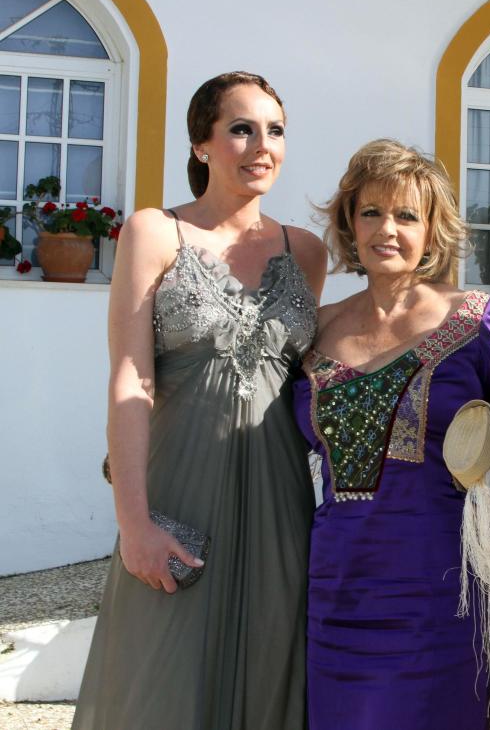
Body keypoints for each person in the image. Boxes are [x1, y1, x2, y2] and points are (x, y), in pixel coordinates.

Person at [73, 71, 327, 730]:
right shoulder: (155, 232)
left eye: (275, 130)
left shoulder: (307, 252)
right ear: (201, 144)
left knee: (273, 675)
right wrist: (135, 523)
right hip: (178, 497)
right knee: (160, 682)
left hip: (281, 506)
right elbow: (131, 375)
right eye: (241, 128)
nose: (261, 145)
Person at [292, 138, 490, 730]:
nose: (387, 229)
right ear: (348, 223)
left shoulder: (477, 320)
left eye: (407, 215)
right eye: (371, 212)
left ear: (433, 229)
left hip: (446, 596)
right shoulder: (314, 331)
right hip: (334, 591)